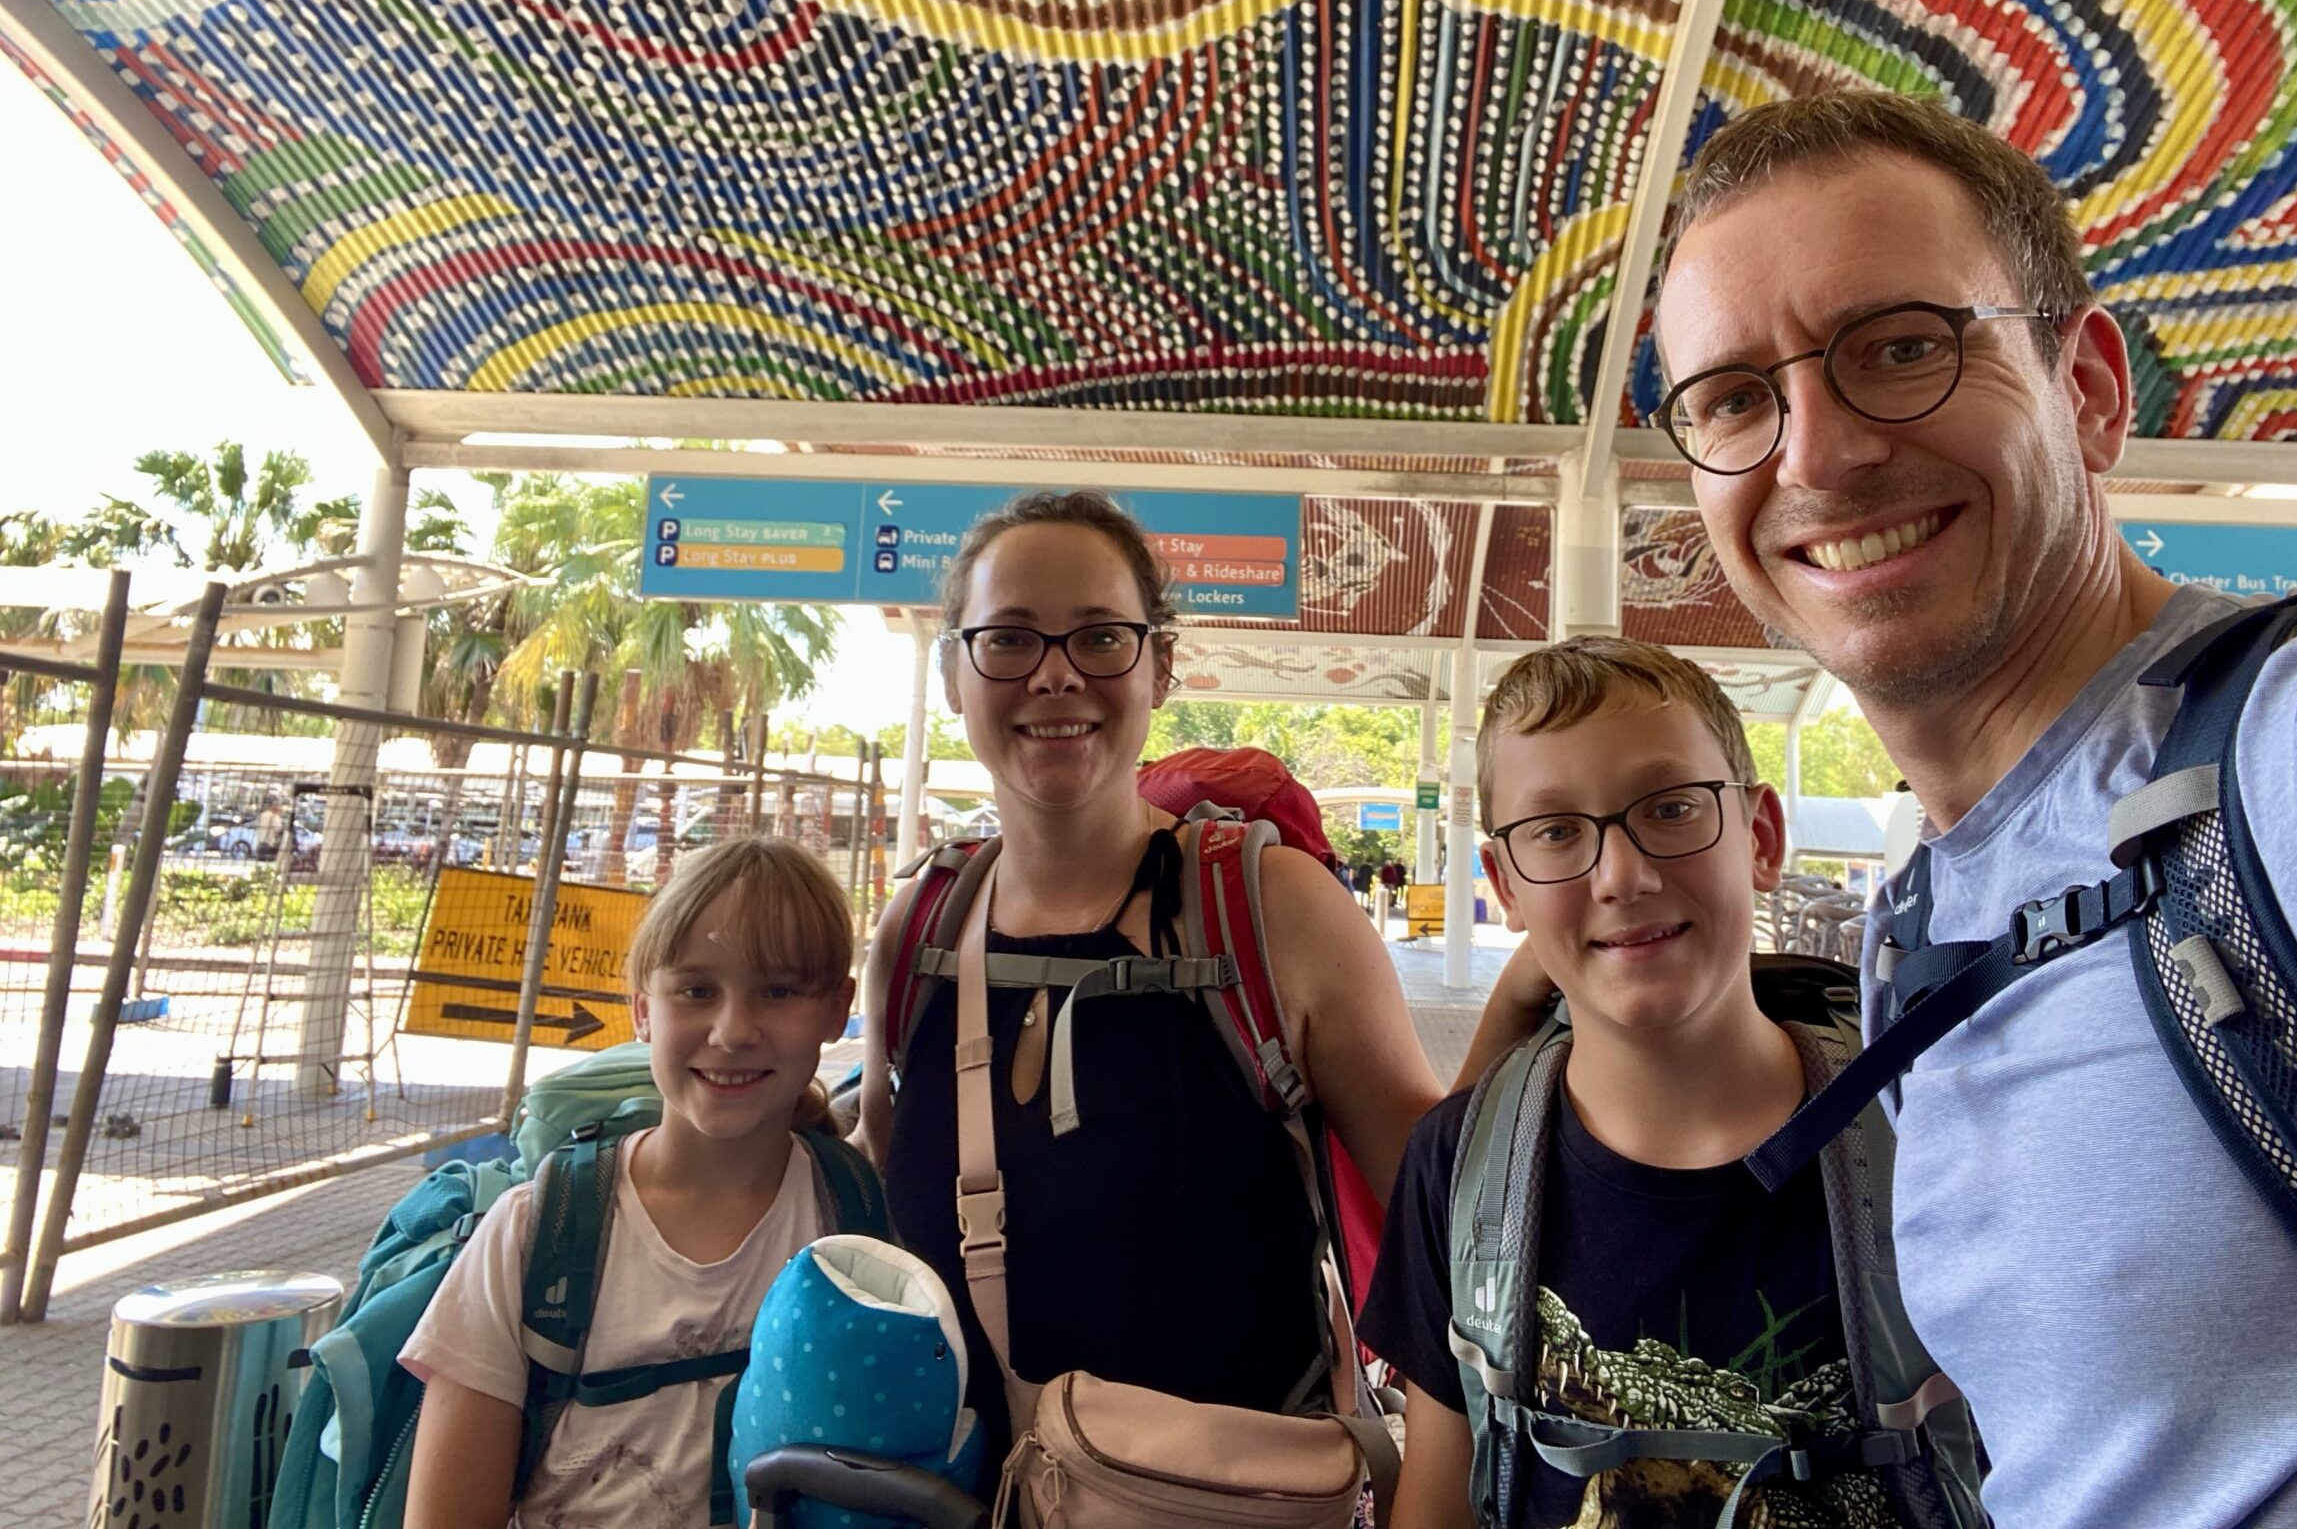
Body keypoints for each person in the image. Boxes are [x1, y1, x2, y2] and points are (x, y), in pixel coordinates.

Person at [1649, 88, 2297, 1526]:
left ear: (2085, 389)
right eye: (1733, 399)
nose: (1813, 456)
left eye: (1901, 347)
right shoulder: (1923, 920)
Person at [856, 490, 1447, 1484]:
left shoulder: (1274, 914)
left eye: (1100, 637)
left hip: (1224, 1506)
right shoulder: (920, 927)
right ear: (953, 672)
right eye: (1009, 638)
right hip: (956, 1497)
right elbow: (880, 1224)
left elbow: (1450, 1239)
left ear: (1161, 666)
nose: (1054, 673)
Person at [1359, 636, 1980, 1529]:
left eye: (1673, 809)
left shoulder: (1931, 1130)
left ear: (1760, 839)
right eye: (1555, 831)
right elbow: (1438, 1504)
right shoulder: (1457, 1167)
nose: (1623, 876)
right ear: (1506, 883)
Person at [402, 837, 863, 1528]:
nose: (733, 1031)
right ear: (642, 1007)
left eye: (778, 990)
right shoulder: (536, 1234)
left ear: (837, 1009)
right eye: (697, 990)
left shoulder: (857, 1222)